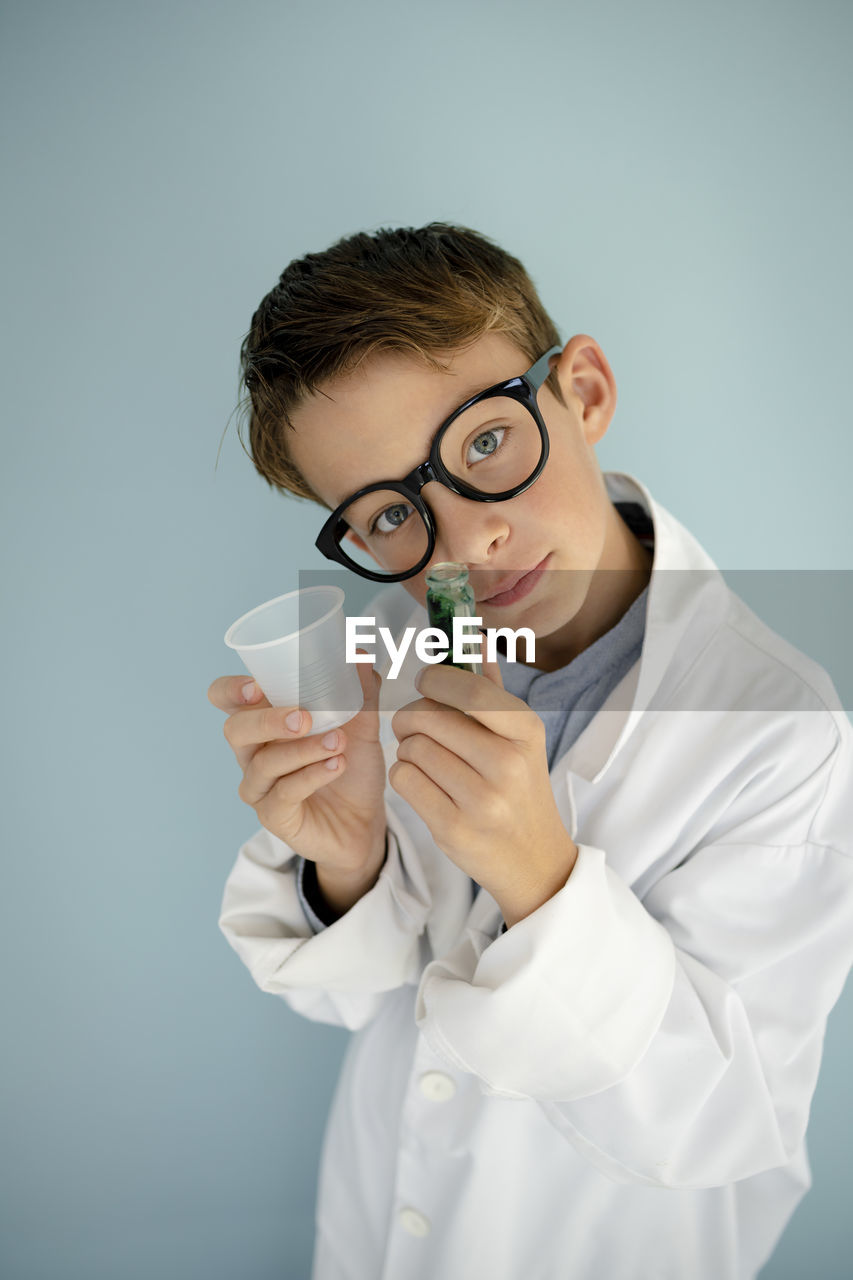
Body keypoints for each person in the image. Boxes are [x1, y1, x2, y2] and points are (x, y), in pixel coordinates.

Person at [209, 224, 853, 1280]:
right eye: (387, 513)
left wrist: (537, 877)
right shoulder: (399, 653)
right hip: (380, 1229)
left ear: (584, 391)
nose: (463, 544)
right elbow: (357, 996)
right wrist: (346, 861)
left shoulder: (778, 730)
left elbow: (719, 1122)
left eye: (483, 444)